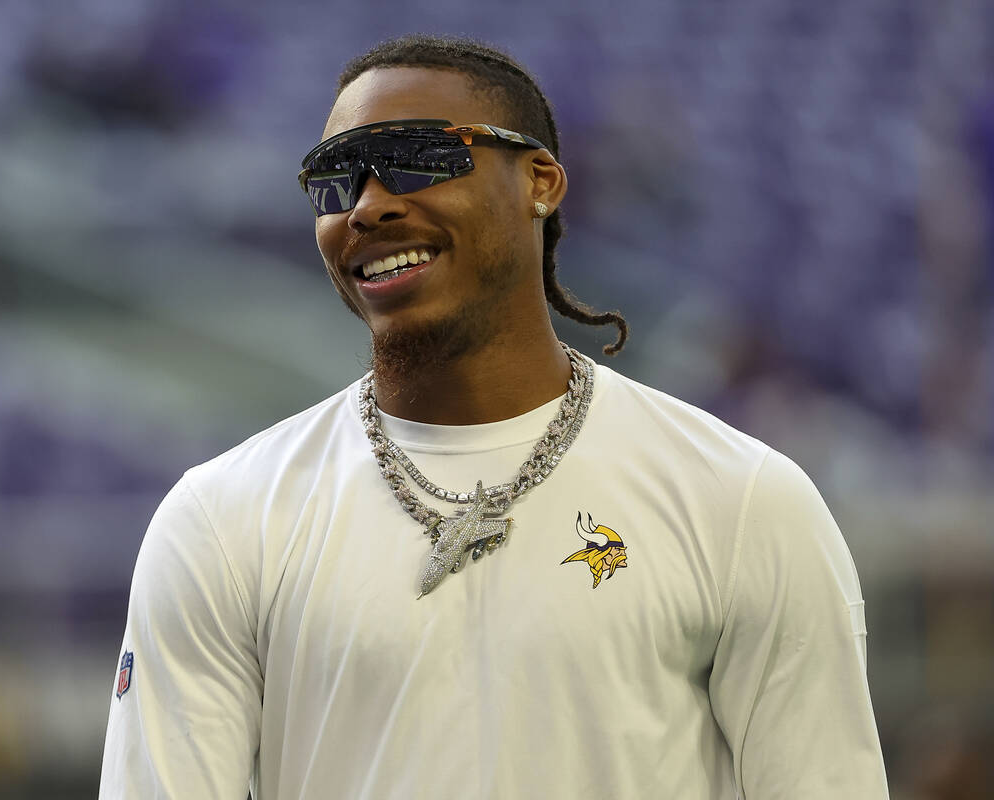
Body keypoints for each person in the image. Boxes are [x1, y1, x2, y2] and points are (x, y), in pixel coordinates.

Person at [99, 34, 889, 798]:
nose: (369, 206)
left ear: (541, 181)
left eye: (418, 159)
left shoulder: (742, 501)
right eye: (335, 181)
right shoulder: (222, 520)